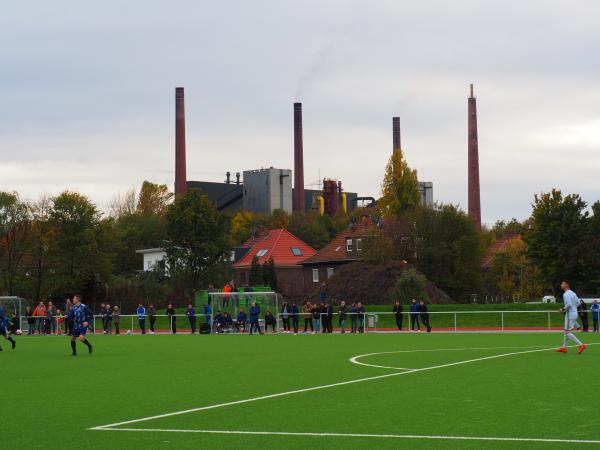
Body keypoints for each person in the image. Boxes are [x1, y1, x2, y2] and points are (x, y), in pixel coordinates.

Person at [556, 281, 586, 354]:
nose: (561, 285)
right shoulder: (573, 293)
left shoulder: (566, 294)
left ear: (566, 285)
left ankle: (581, 345)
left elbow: (568, 304)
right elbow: (578, 303)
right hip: (574, 313)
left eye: (562, 284)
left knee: (567, 332)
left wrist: (562, 310)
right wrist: (573, 308)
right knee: (566, 332)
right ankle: (564, 348)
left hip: (570, 315)